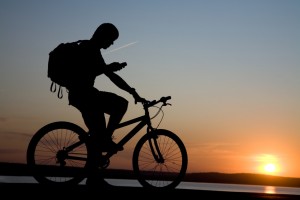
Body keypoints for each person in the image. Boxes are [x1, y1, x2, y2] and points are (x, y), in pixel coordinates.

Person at [67, 23, 145, 187]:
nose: (111, 44)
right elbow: (104, 73)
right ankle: (104, 142)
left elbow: (104, 72)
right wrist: (131, 91)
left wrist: (131, 90)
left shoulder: (92, 49)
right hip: (84, 95)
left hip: (85, 95)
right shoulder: (89, 49)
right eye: (111, 40)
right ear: (104, 36)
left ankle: (95, 173)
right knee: (120, 104)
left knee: (98, 133)